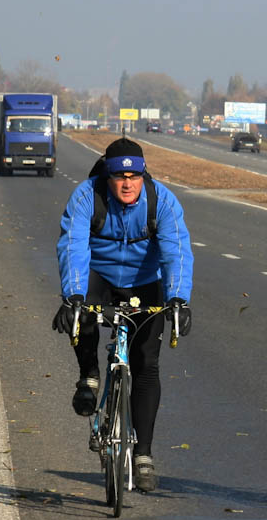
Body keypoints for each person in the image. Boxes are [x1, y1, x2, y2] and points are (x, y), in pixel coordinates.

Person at [52, 137, 194, 492]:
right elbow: (73, 246)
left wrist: (178, 299)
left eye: (134, 176)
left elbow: (176, 250)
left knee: (146, 363)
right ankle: (89, 376)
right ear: (108, 176)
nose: (127, 184)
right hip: (98, 275)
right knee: (82, 311)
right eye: (119, 176)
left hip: (145, 282)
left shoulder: (162, 200)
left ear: (143, 176)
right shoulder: (87, 196)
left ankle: (143, 455)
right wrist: (73, 296)